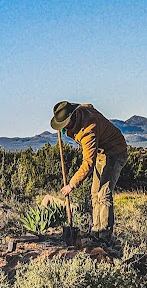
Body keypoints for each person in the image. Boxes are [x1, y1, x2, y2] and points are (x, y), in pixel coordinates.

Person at [51, 101, 128, 243]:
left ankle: (104, 236)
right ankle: (96, 231)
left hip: (115, 153)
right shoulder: (81, 110)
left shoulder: (88, 131)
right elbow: (89, 105)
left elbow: (88, 163)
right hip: (101, 153)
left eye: (64, 124)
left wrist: (71, 185)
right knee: (94, 193)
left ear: (72, 118)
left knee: (103, 194)